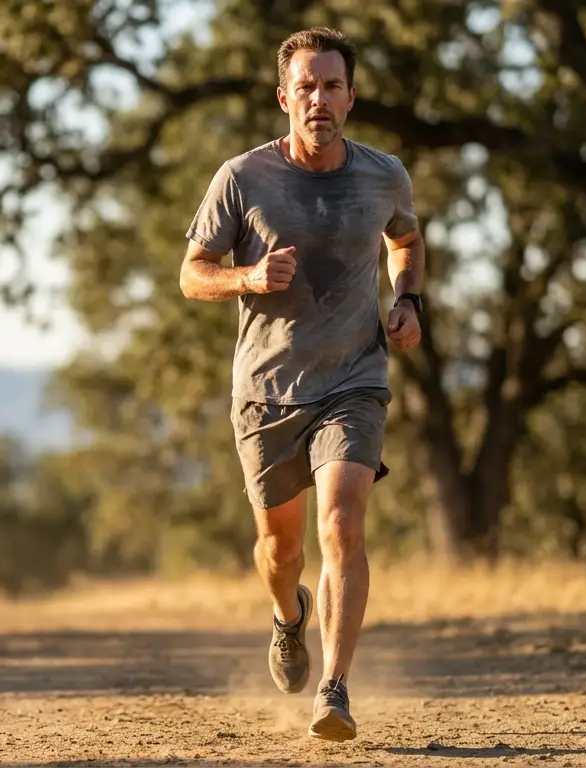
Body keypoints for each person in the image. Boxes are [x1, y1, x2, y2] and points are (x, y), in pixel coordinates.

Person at [177, 26, 425, 742]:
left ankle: (336, 689)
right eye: (306, 86)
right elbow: (192, 273)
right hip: (267, 389)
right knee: (280, 553)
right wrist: (246, 277)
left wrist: (407, 299)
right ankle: (290, 616)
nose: (319, 98)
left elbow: (404, 239)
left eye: (333, 85)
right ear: (284, 96)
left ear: (351, 95)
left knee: (343, 519)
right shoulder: (242, 178)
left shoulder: (385, 175)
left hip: (354, 377)